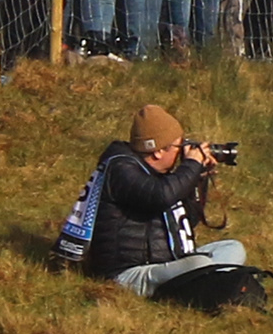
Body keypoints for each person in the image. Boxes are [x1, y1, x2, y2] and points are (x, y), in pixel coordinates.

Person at [75, 102, 248, 298]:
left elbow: (187, 223)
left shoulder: (161, 174)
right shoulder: (121, 168)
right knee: (200, 265)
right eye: (178, 145)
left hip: (166, 261)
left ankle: (205, 284)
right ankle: (211, 286)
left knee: (232, 248)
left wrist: (197, 179)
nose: (182, 151)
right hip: (128, 273)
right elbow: (160, 196)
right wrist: (190, 165)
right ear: (157, 150)